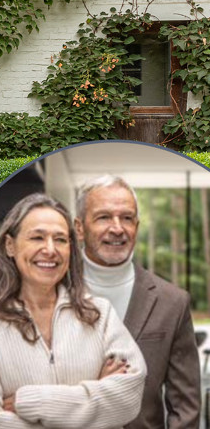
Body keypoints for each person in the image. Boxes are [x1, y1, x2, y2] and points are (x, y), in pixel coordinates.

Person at [0, 193, 146, 429]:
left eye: (60, 239)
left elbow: (128, 399)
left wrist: (29, 402)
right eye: (37, 237)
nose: (50, 250)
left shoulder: (100, 314)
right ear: (10, 245)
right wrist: (97, 396)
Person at [75, 175, 201, 429]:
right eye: (103, 217)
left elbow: (185, 406)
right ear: (79, 228)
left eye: (127, 218)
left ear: (137, 226)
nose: (117, 228)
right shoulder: (52, 292)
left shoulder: (172, 302)